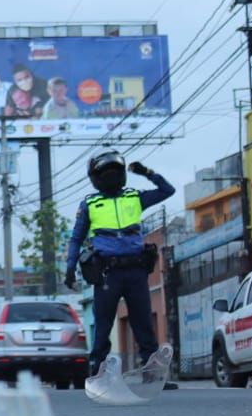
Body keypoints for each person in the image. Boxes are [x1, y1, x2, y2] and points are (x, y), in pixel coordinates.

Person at [64, 150, 177, 386]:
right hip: (107, 273)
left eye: (115, 171)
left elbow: (168, 191)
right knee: (103, 325)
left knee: (144, 323)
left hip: (136, 270)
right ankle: (97, 373)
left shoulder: (134, 197)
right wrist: (69, 268)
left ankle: (153, 374)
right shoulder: (90, 204)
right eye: (105, 173)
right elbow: (76, 239)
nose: (110, 176)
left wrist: (148, 173)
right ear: (96, 178)